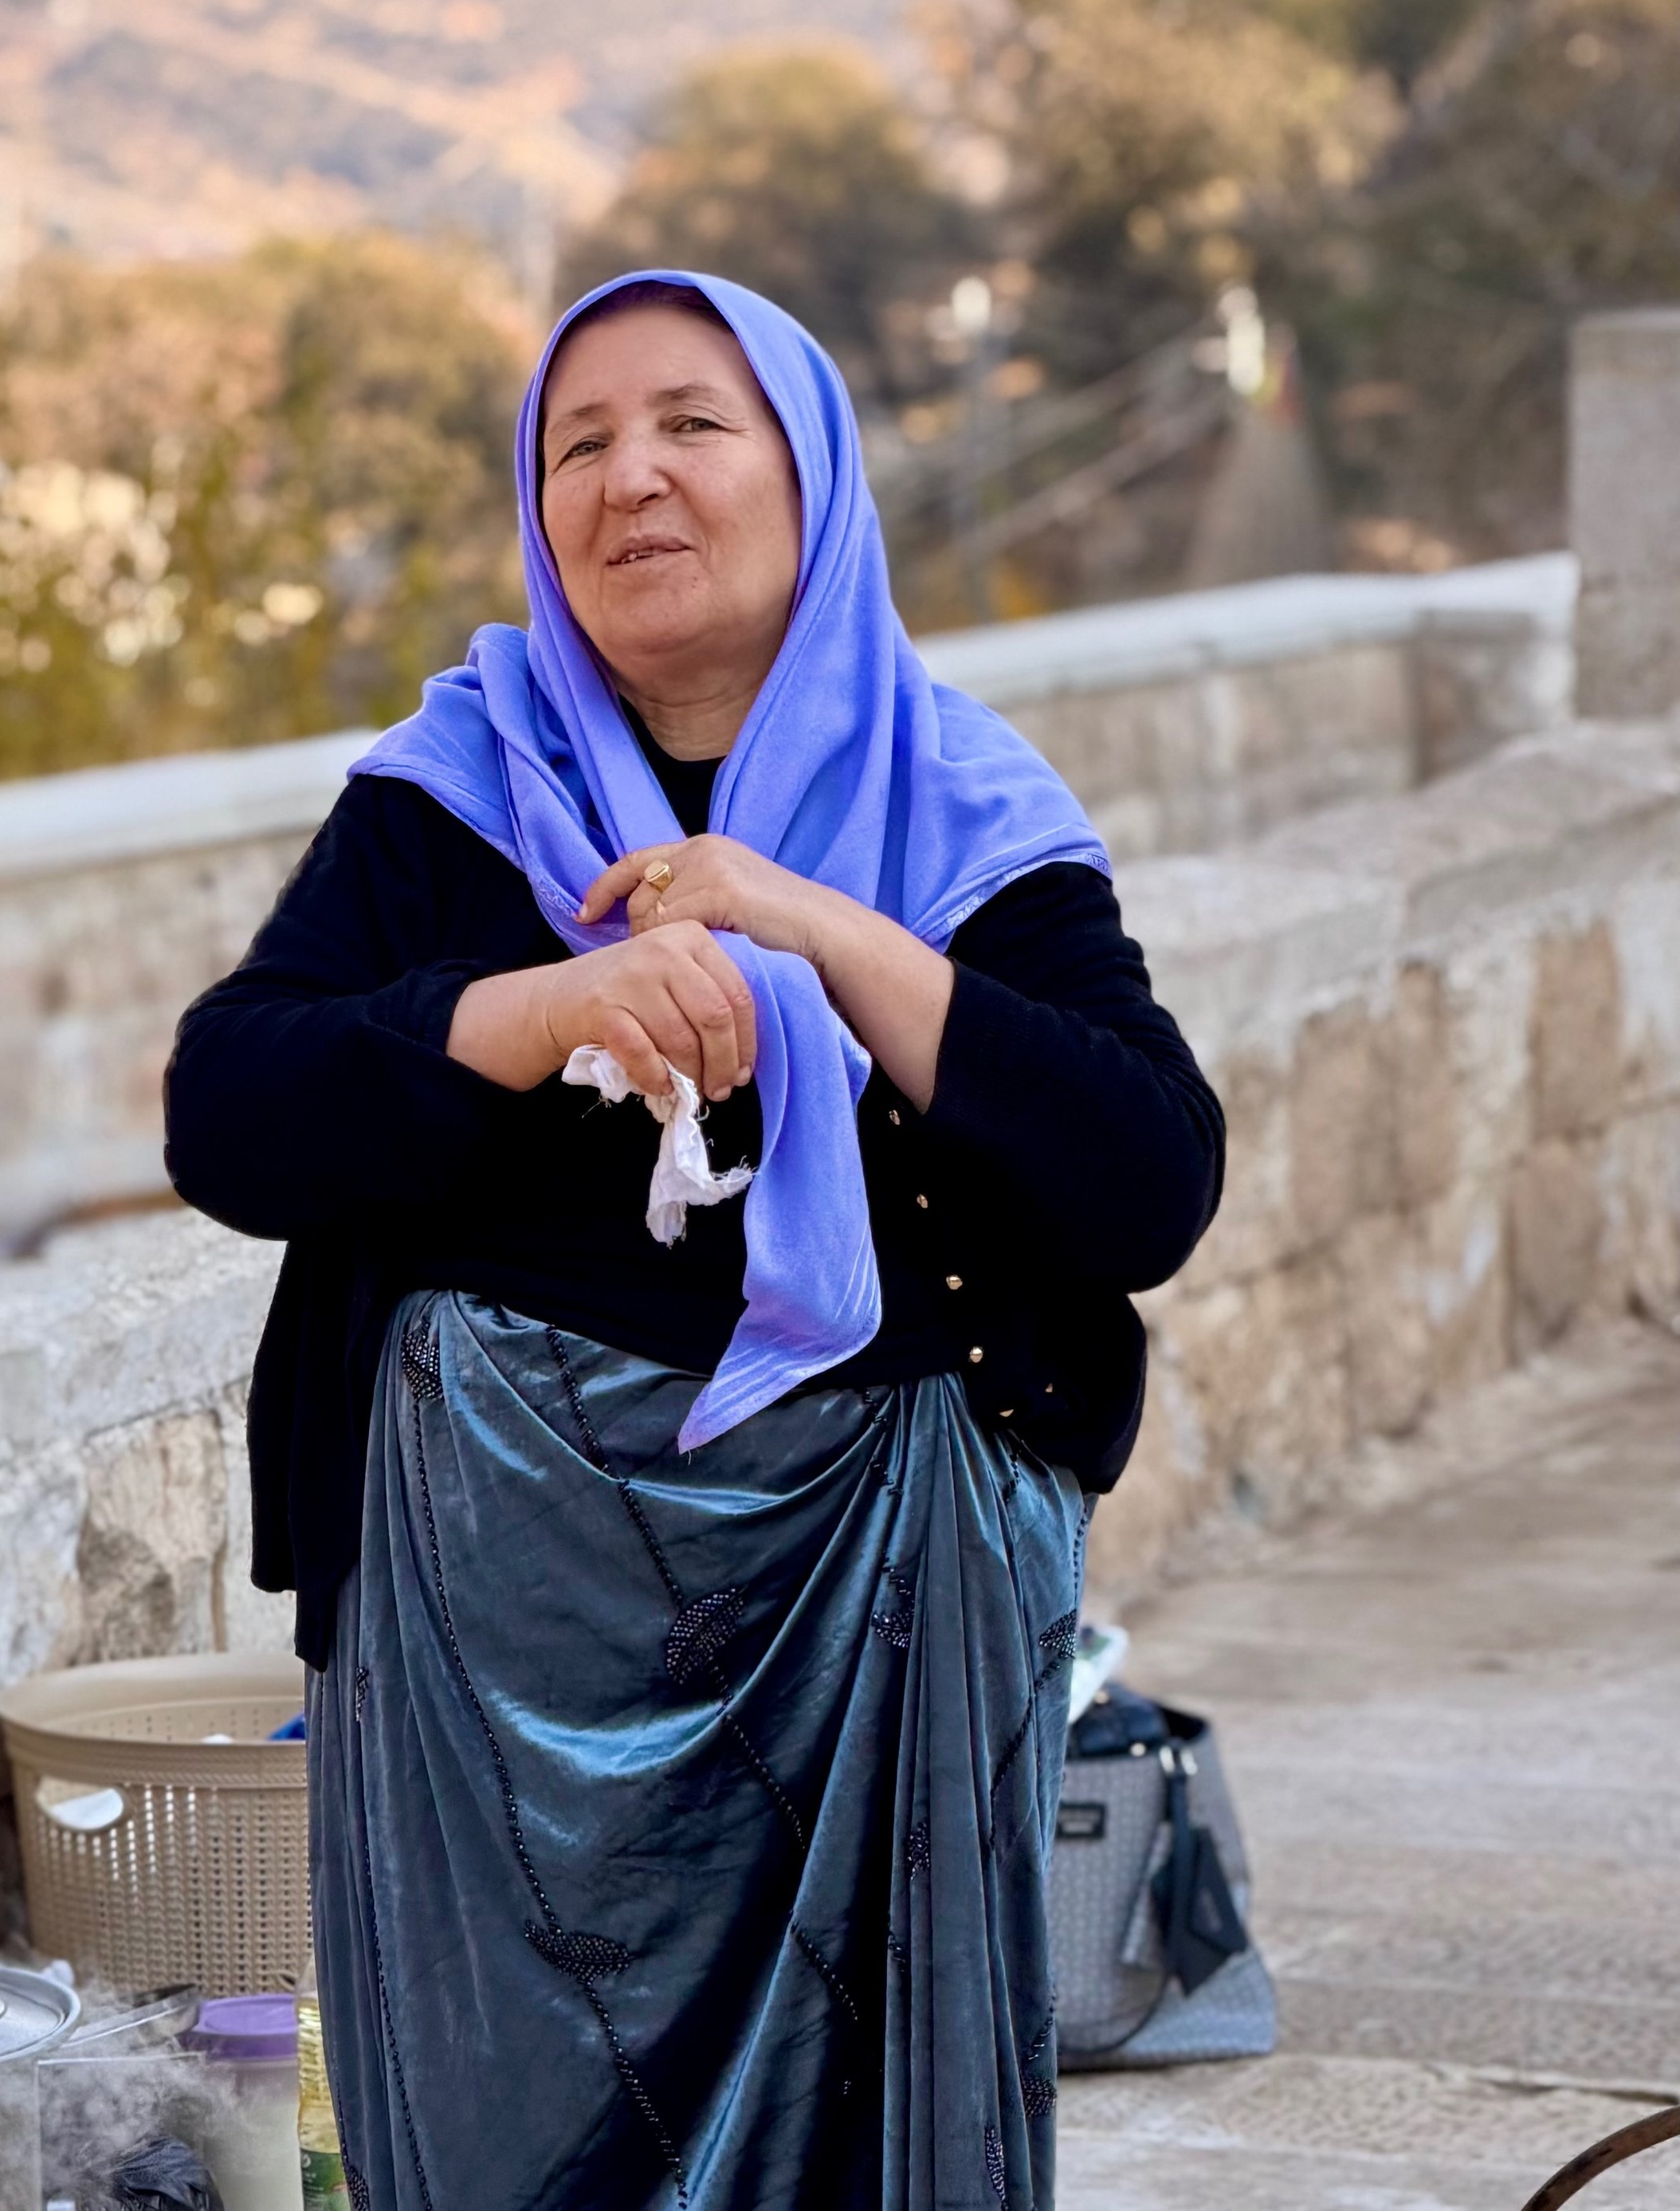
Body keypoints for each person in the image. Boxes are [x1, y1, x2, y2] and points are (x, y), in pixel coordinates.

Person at [165, 272, 1224, 2211]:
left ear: (812, 478)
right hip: (499, 1660)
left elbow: (1145, 1177)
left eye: (690, 426)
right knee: (499, 2135)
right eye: (579, 444)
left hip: (876, 1612)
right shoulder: (456, 795)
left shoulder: (959, 809)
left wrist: (814, 928)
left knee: (863, 2127)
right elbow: (232, 1110)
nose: (627, 478)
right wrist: (529, 1010)